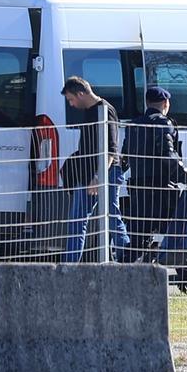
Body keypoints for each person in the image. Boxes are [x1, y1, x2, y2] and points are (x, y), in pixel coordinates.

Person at [60, 76, 130, 262]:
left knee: (112, 217)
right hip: (88, 174)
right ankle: (70, 267)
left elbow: (111, 150)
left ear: (81, 93)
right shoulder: (90, 111)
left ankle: (130, 258)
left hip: (106, 173)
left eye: (71, 99)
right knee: (78, 221)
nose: (71, 104)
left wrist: (99, 176)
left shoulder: (105, 111)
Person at [122, 86, 187, 261]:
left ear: (147, 103)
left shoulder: (133, 125)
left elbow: (124, 159)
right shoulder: (163, 123)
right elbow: (168, 156)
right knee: (175, 237)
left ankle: (120, 277)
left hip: (138, 190)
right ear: (166, 103)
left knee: (137, 240)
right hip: (162, 190)